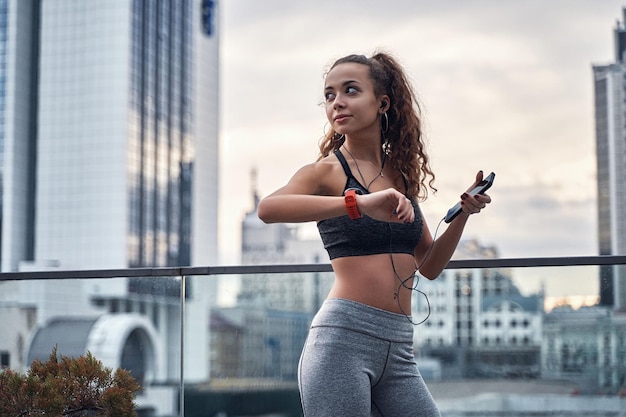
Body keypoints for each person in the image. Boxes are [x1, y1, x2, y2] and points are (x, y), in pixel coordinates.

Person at [257, 51, 491, 417]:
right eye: (329, 95)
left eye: (350, 91)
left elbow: (428, 265)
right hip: (342, 341)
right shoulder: (326, 172)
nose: (337, 103)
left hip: (399, 348)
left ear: (382, 102)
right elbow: (268, 209)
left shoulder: (399, 176)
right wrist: (357, 204)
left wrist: (463, 214)